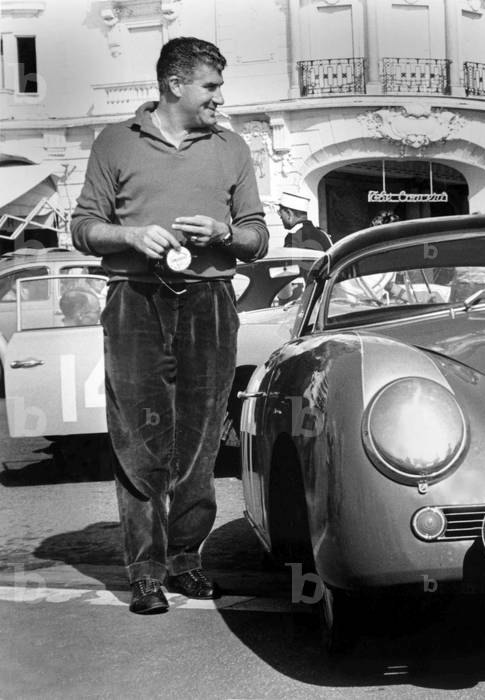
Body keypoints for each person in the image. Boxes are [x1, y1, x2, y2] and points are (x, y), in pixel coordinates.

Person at [71, 36, 269, 614]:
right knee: (137, 439)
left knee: (202, 439)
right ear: (174, 84)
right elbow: (83, 227)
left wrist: (225, 234)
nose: (218, 96)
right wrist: (130, 236)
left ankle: (186, 559)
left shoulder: (232, 147)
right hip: (133, 297)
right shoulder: (113, 142)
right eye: (210, 85)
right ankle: (145, 572)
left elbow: (257, 237)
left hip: (209, 299)